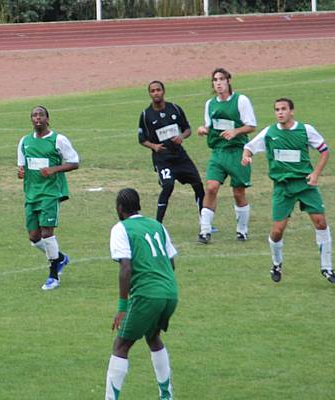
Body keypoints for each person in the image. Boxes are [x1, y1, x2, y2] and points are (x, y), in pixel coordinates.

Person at [242, 98, 335, 284]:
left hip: (305, 185)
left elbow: (324, 151)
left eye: (283, 109)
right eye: (277, 109)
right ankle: (276, 264)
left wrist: (316, 174)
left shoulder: (305, 130)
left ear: (291, 111)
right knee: (277, 231)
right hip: (282, 187)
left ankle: (327, 267)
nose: (280, 112)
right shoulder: (270, 133)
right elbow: (249, 147)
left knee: (320, 222)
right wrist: (246, 157)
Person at [105, 188, 178, 400]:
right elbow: (171, 261)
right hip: (170, 292)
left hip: (148, 294)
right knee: (153, 336)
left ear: (120, 208)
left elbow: (125, 267)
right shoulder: (157, 226)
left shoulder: (121, 229)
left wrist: (122, 307)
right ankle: (166, 395)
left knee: (121, 344)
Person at [17, 105, 79, 290]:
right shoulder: (24, 141)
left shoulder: (58, 140)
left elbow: (74, 162)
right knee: (34, 238)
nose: (37, 118)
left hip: (50, 193)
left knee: (47, 234)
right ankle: (60, 258)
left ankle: (53, 277)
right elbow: (22, 166)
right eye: (34, 115)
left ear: (47, 119)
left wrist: (54, 169)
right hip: (31, 194)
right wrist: (21, 172)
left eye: (41, 115)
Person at [196, 67, 257, 244]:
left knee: (238, 193)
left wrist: (236, 131)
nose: (219, 83)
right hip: (218, 153)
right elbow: (210, 126)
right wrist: (203, 129)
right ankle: (205, 231)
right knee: (211, 187)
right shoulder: (210, 104)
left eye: (222, 79)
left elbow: (251, 125)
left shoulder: (241, 100)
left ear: (228, 81)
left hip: (237, 152)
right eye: (215, 80)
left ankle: (242, 230)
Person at [138, 80, 205, 224]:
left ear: (163, 91)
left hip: (180, 156)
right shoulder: (146, 115)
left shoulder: (174, 108)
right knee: (168, 186)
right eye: (152, 91)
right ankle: (158, 223)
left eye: (158, 90)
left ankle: (205, 222)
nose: (156, 93)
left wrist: (181, 136)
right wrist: (154, 146)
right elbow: (141, 139)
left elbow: (187, 128)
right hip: (162, 159)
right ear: (150, 94)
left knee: (198, 184)